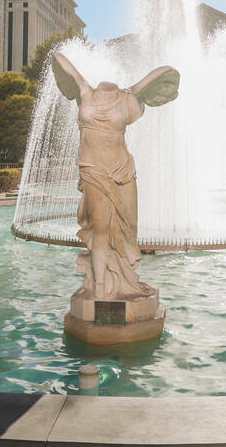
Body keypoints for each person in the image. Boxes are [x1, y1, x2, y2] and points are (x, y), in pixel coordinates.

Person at [50, 51, 179, 301]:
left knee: (129, 228)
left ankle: (126, 280)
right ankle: (100, 287)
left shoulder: (128, 99)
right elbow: (58, 57)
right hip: (94, 170)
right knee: (100, 229)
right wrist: (78, 77)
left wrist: (135, 86)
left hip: (122, 170)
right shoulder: (85, 93)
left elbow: (165, 71)